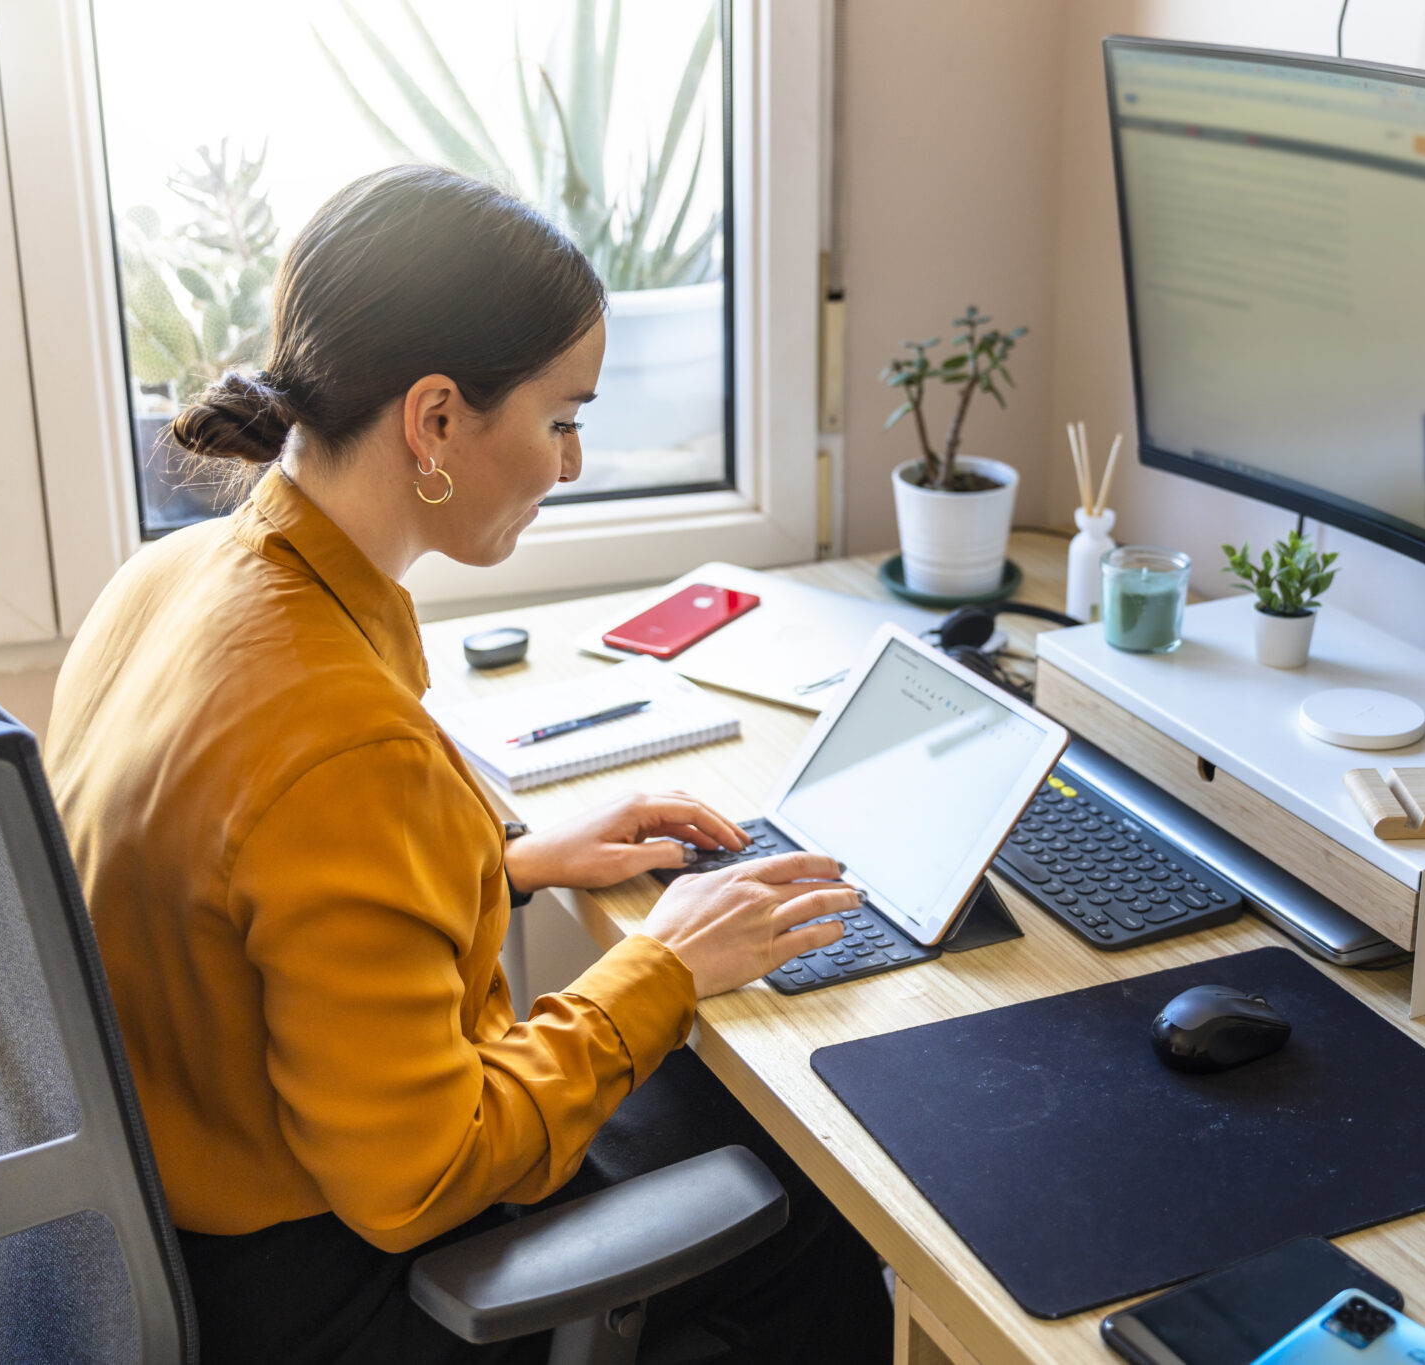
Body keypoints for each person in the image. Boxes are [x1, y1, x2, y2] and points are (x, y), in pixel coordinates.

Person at [45, 165, 893, 1364]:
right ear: (435, 420)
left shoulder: (174, 578)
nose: (572, 464)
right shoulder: (341, 737)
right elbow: (422, 1179)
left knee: (714, 1112)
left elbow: (250, 901)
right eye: (560, 420)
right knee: (818, 1219)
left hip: (181, 1220)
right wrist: (660, 968)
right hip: (329, 1289)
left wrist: (510, 860)